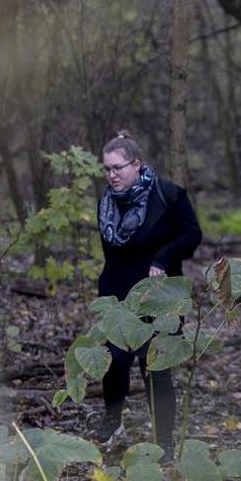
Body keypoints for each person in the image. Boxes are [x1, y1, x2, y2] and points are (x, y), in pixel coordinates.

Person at [93, 132, 203, 458]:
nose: (112, 175)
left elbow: (192, 235)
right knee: (114, 361)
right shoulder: (107, 202)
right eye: (107, 169)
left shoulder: (168, 195)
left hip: (161, 295)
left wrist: (163, 258)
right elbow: (112, 253)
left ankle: (165, 443)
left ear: (137, 165)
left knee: (155, 368)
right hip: (117, 293)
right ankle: (112, 421)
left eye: (118, 168)